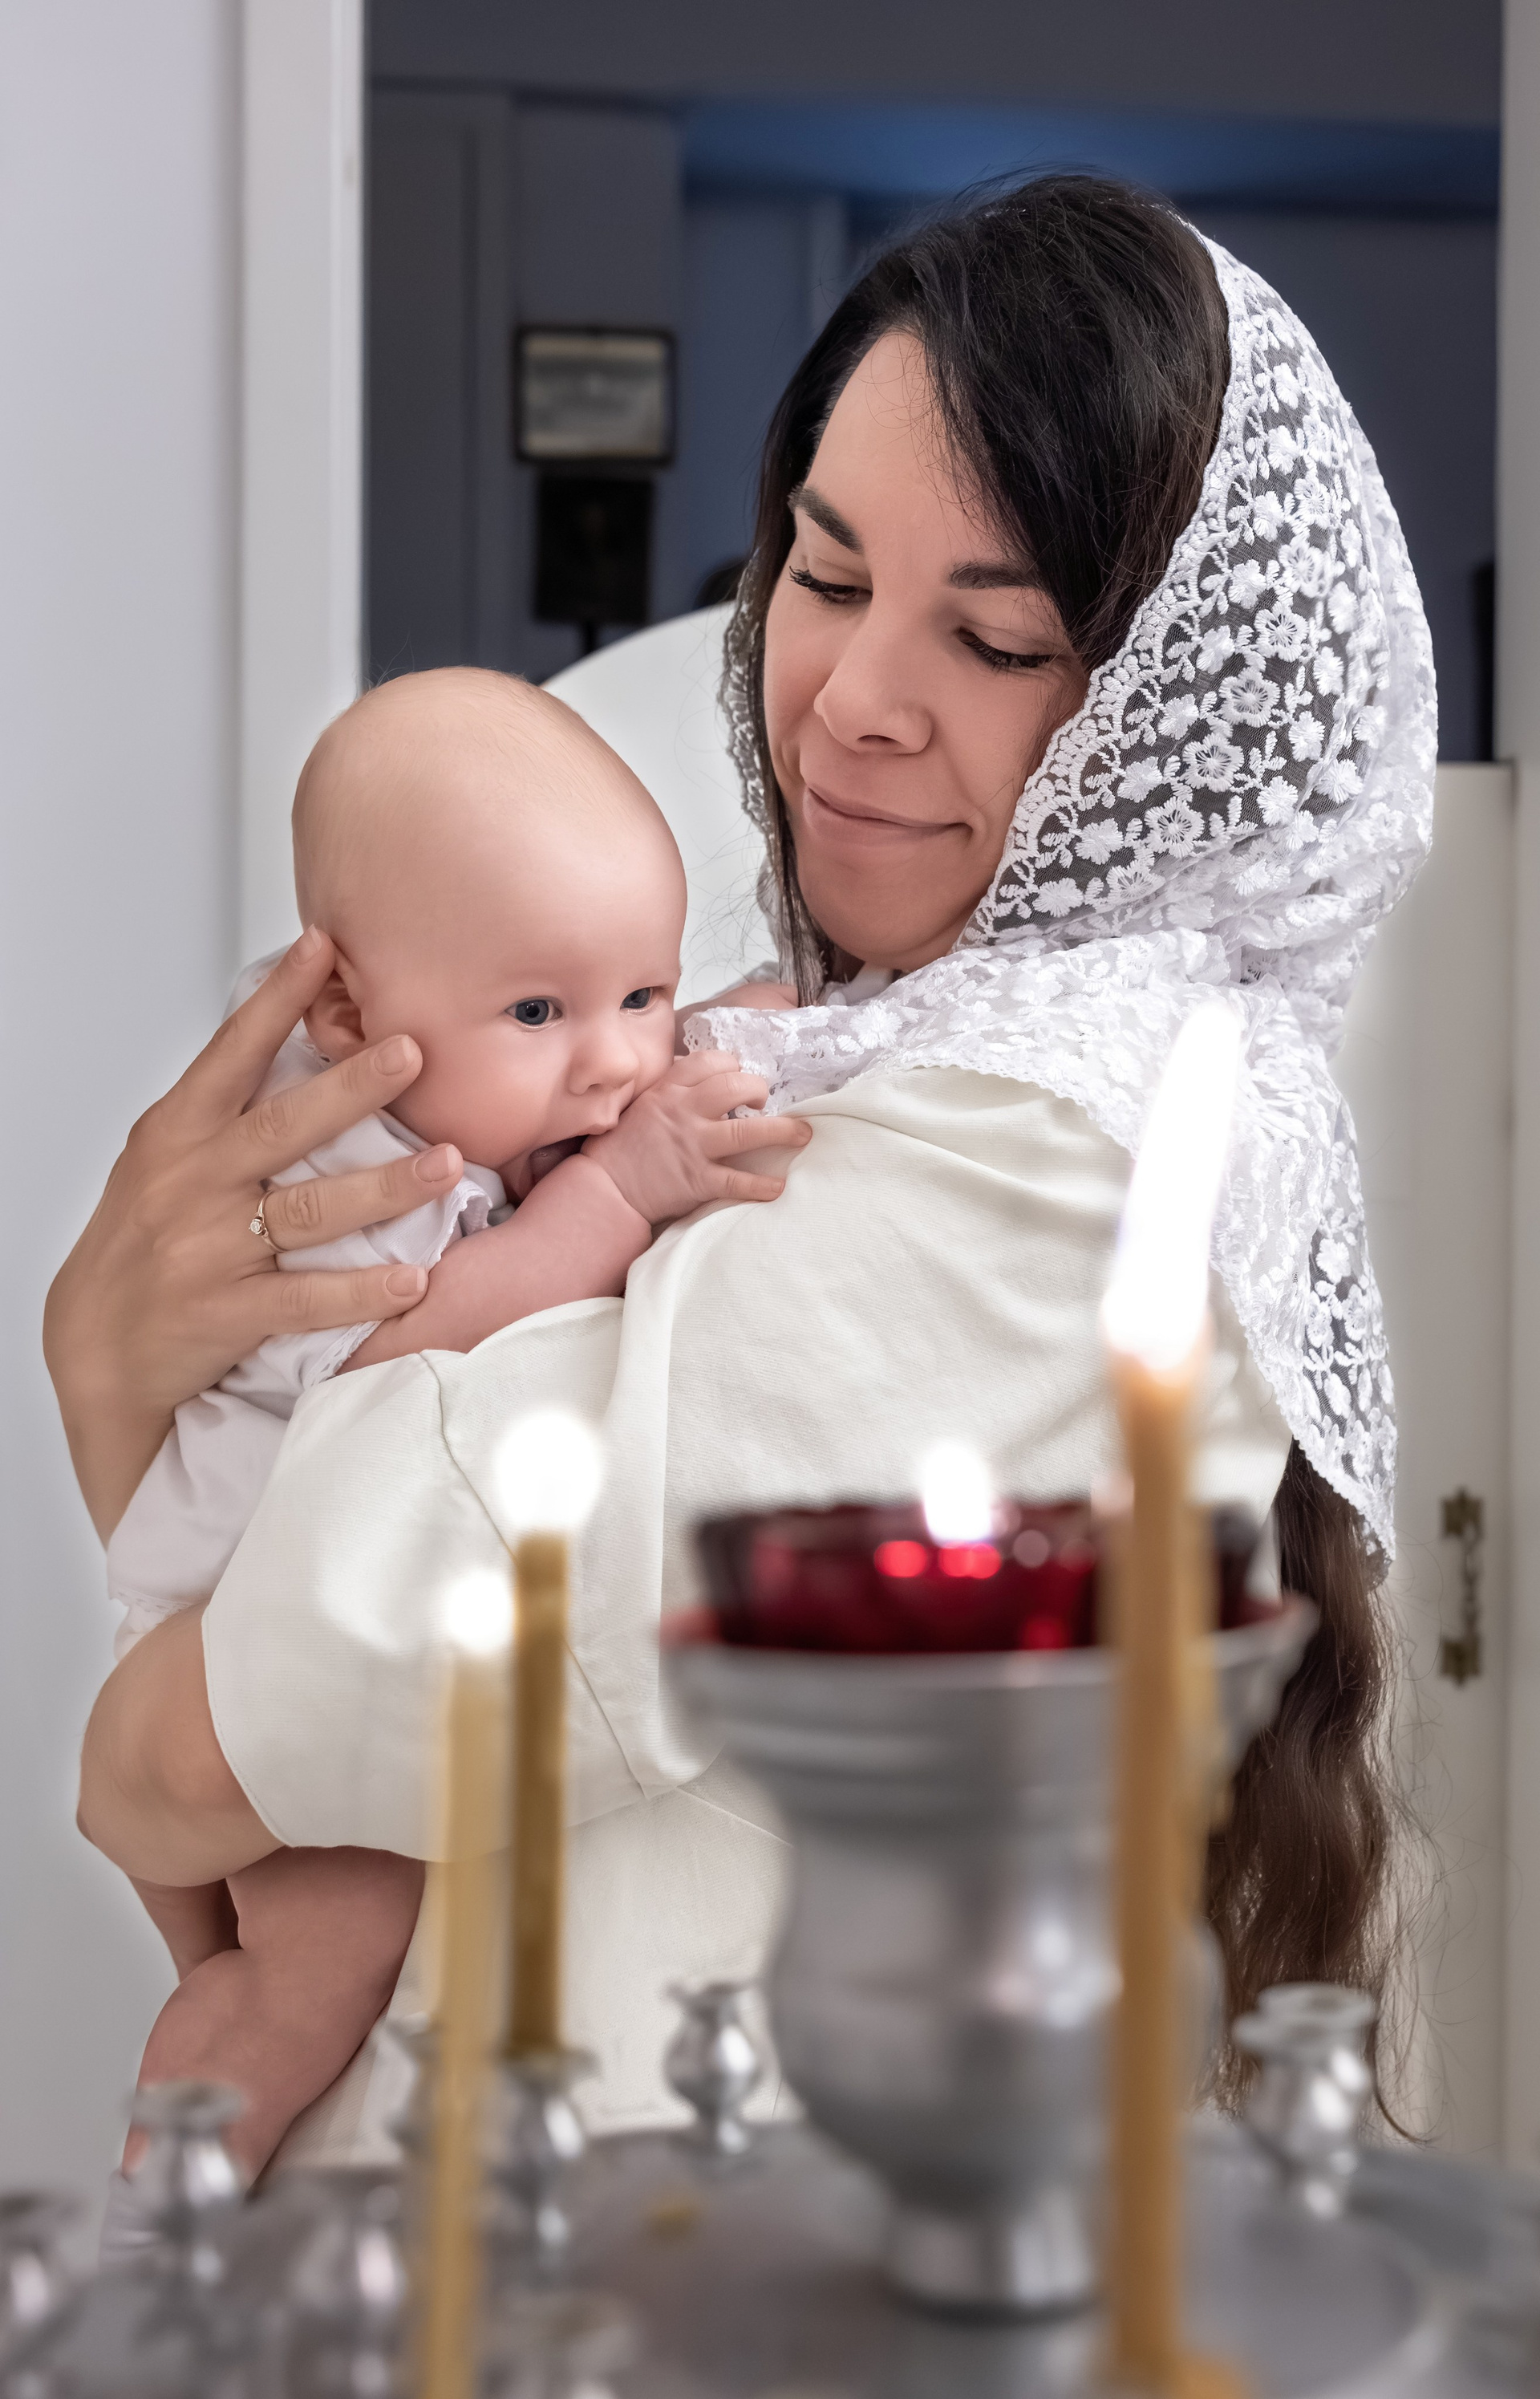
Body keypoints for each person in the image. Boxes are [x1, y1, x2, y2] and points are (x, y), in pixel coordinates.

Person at [50, 177, 1432, 2156]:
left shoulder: (1054, 1151)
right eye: (827, 572)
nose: (854, 703)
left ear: (1168, 717)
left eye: (997, 637)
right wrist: (123, 1368)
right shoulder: (786, 1033)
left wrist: (121, 1402)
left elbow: (195, 1750)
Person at [99, 667, 803, 2186]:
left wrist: (732, 1028)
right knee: (315, 1971)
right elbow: (418, 1343)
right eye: (541, 1011)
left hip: (252, 1599)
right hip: (233, 1618)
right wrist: (617, 1192)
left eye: (645, 991)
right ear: (351, 1013)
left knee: (280, 1961)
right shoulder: (333, 1164)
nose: (614, 1061)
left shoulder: (477, 1068)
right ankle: (168, 2196)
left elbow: (632, 1060)